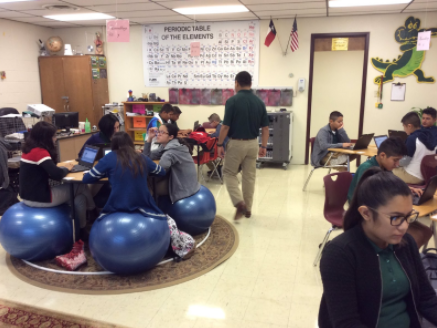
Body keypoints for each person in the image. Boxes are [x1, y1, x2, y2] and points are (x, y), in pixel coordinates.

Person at [319, 167, 437, 328]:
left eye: (408, 216)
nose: (404, 227)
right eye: (395, 218)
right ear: (366, 213)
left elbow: (426, 298)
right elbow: (346, 323)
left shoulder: (405, 243)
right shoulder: (340, 254)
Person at [83, 131, 195, 259]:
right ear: (130, 144)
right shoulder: (141, 157)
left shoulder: (109, 158)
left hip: (117, 205)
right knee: (166, 219)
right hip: (144, 204)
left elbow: (87, 179)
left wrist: (106, 173)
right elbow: (160, 172)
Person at [20, 122, 96, 239]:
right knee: (81, 186)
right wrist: (67, 168)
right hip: (39, 198)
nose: (56, 139)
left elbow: (46, 170)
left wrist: (62, 168)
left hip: (28, 195)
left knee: (79, 198)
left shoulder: (29, 149)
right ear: (46, 138)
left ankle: (81, 231)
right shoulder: (40, 152)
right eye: (54, 136)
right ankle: (94, 212)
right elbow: (57, 174)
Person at [217, 71, 269, 220]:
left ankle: (239, 203)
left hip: (236, 143)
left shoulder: (232, 101)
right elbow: (265, 129)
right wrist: (263, 146)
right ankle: (248, 209)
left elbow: (225, 126)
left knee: (229, 173)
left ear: (236, 83)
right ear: (251, 84)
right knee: (249, 177)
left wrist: (220, 143)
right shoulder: (259, 102)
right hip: (253, 143)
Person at [347, 137, 423, 202]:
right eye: (395, 160)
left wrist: (408, 188)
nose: (397, 164)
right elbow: (367, 197)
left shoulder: (386, 167)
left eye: (399, 160)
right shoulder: (367, 169)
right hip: (361, 207)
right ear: (382, 155)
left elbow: (393, 183)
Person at [144, 123, 200, 204]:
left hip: (184, 188)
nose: (158, 134)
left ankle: (153, 209)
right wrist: (149, 138)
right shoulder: (167, 146)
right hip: (187, 183)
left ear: (171, 137)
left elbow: (160, 172)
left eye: (162, 132)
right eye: (158, 132)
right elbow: (147, 156)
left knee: (147, 184)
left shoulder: (171, 151)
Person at [393, 111, 436, 184]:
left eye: (404, 126)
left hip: (413, 176)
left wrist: (394, 162)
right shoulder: (431, 136)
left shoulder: (412, 139)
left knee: (388, 169)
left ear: (409, 126)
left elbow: (405, 162)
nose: (404, 130)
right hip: (428, 176)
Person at [206, 113, 228, 177]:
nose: (210, 124)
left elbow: (217, 135)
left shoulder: (219, 127)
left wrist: (209, 135)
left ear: (214, 122)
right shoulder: (221, 125)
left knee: (203, 154)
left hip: (223, 149)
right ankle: (216, 169)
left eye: (210, 123)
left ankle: (215, 170)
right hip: (226, 147)